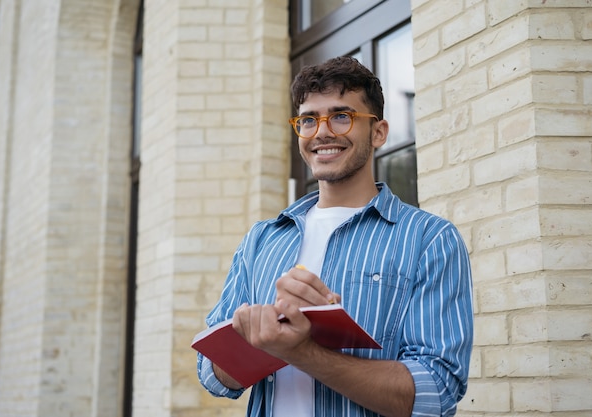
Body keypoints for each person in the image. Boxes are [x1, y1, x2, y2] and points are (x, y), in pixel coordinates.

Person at [197, 56, 473, 417]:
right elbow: (212, 373)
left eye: (341, 117)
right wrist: (264, 340)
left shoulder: (429, 240)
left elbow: (436, 392)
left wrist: (302, 351)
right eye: (309, 120)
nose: (322, 132)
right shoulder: (261, 240)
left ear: (378, 132)